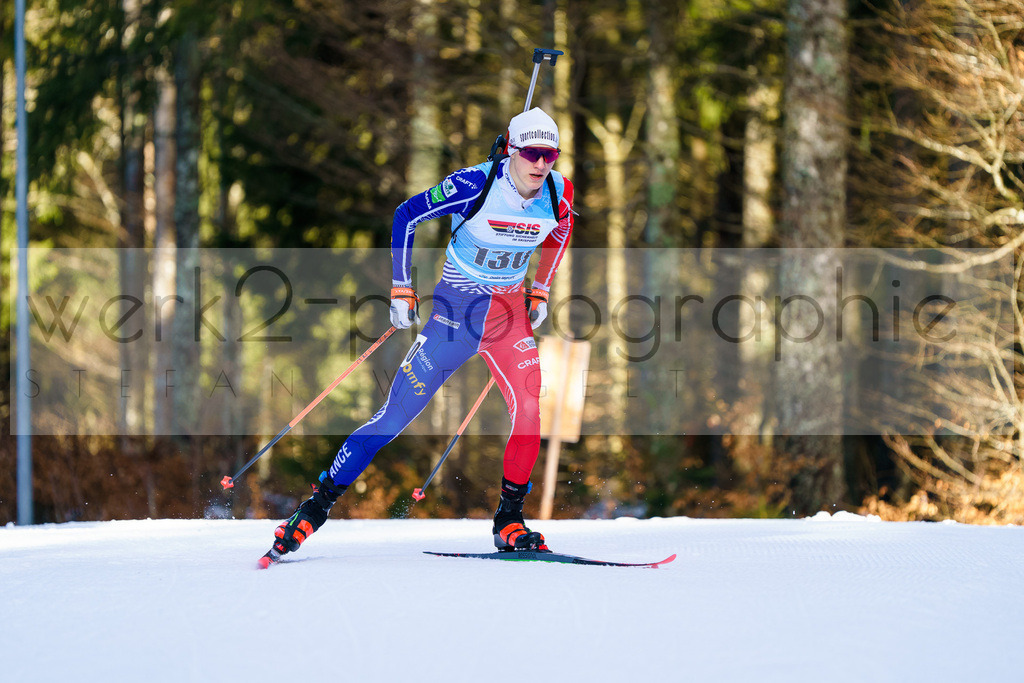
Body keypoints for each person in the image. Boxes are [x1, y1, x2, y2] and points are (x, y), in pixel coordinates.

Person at [265, 108, 575, 560]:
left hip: (507, 317)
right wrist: (401, 287)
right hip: (454, 314)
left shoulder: (557, 190)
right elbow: (407, 214)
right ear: (511, 150)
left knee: (529, 409)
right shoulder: (475, 185)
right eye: (532, 152)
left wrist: (541, 288)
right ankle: (314, 507)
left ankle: (509, 519)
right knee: (394, 418)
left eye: (551, 154)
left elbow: (563, 228)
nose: (542, 163)